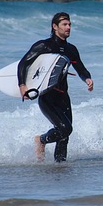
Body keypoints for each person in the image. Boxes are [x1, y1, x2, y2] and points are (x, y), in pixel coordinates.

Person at [17, 12, 93, 162]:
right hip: (47, 97)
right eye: (64, 24)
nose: (68, 27)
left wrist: (87, 78)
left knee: (64, 137)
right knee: (65, 129)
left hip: (63, 97)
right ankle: (41, 140)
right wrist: (22, 86)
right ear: (54, 26)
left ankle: (60, 166)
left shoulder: (71, 50)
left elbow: (81, 69)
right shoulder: (44, 46)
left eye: (69, 24)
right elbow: (23, 64)